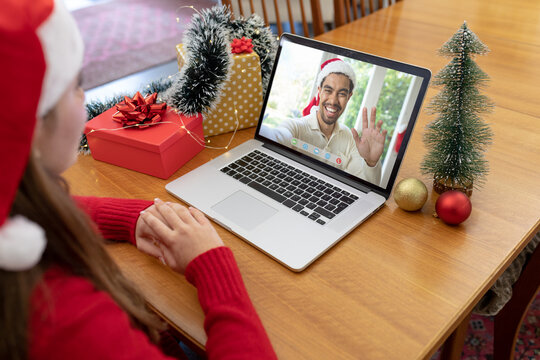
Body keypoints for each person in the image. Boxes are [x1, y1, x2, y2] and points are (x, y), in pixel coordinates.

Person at [0, 1, 277, 359]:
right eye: (75, 86)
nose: (84, 97)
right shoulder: (69, 325)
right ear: (28, 127)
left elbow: (42, 210)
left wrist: (134, 218)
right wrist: (212, 264)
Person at [261, 58, 387, 185]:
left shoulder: (349, 137)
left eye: (342, 94)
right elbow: (277, 136)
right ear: (319, 91)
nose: (333, 101)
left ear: (349, 97)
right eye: (328, 90)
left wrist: (371, 162)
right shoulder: (296, 127)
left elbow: (366, 187)